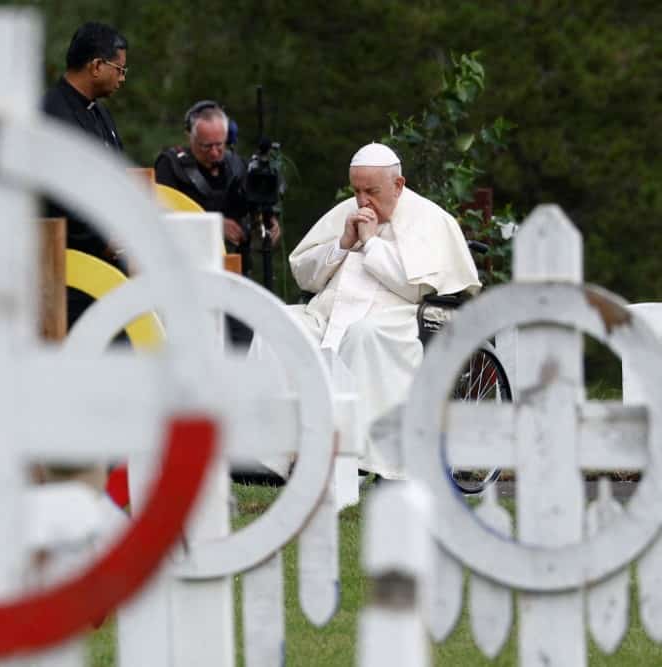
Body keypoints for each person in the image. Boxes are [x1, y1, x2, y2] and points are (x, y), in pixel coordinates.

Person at [288, 143, 480, 478]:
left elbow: (418, 287)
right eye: (357, 191)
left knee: (362, 336)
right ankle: (275, 453)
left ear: (398, 185)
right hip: (329, 315)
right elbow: (305, 275)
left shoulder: (431, 219)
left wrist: (373, 243)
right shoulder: (346, 213)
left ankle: (360, 459)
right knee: (281, 324)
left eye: (371, 191)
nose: (362, 202)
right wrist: (342, 244)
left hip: (401, 318)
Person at [41, 22, 128, 326]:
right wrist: (100, 240)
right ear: (96, 66)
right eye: (119, 69)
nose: (121, 78)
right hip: (66, 269)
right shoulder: (50, 115)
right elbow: (55, 194)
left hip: (109, 268)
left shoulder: (101, 113)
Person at [154, 100, 281, 255]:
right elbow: (162, 218)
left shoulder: (236, 165)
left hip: (236, 262)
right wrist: (214, 225)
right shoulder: (171, 165)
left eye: (219, 145)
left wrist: (266, 220)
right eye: (206, 146)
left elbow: (253, 202)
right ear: (190, 137)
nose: (214, 153)